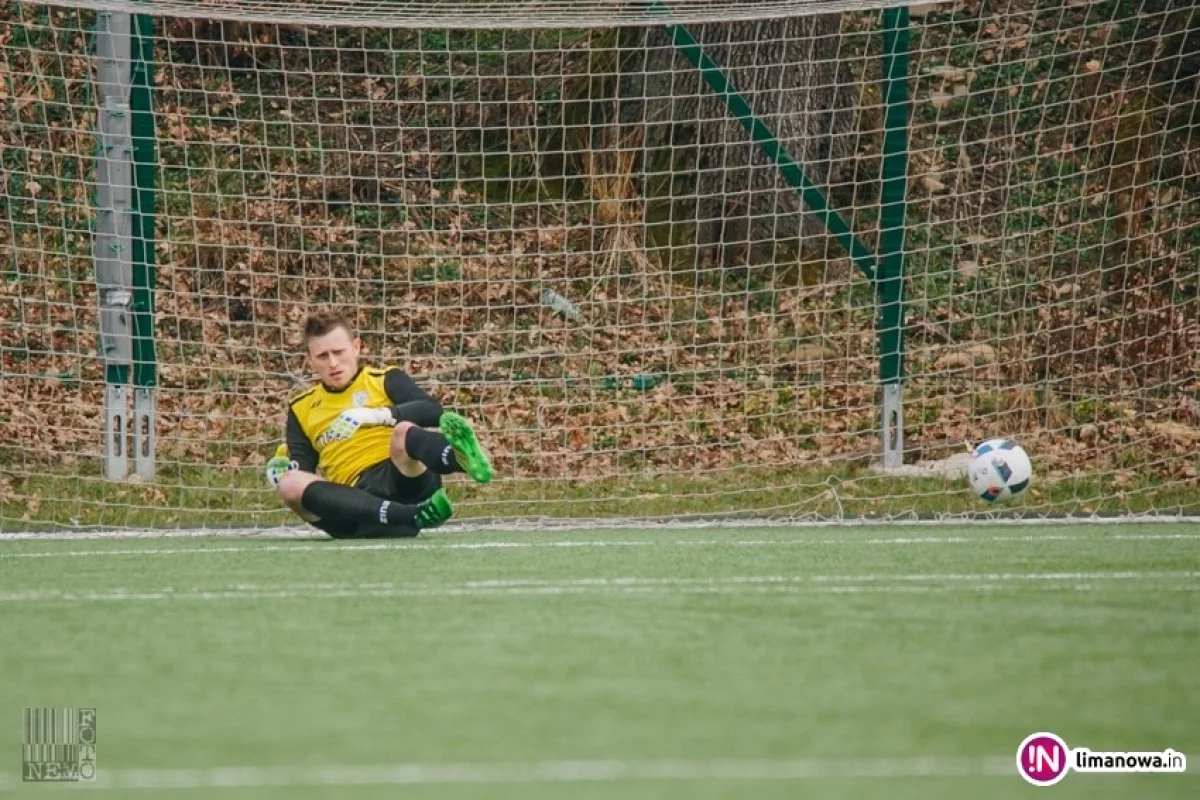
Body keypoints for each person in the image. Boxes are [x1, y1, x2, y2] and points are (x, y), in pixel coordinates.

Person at [265, 310, 492, 539]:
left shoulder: (383, 379)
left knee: (403, 431)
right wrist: (286, 471)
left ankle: (460, 459)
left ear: (356, 347)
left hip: (404, 480)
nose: (333, 363)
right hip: (357, 506)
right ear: (310, 360)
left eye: (339, 352)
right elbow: (304, 469)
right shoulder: (301, 408)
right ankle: (408, 516)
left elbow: (433, 410)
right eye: (323, 356)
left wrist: (375, 415)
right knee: (290, 485)